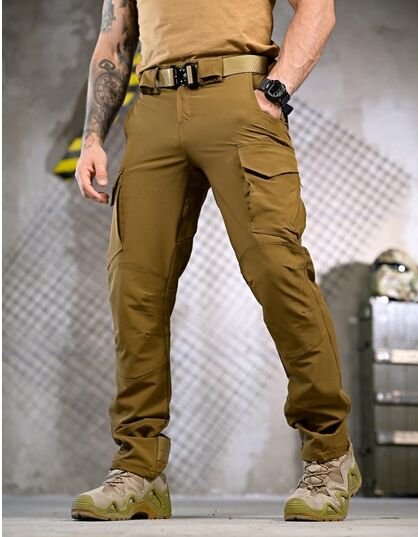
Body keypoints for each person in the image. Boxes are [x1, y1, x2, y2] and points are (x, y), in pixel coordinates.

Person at [71, 0, 362, 522]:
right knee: (133, 287)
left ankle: (330, 456)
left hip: (239, 98)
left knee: (278, 271)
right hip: (154, 107)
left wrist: (275, 91)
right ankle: (139, 469)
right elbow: (115, 38)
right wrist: (92, 136)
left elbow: (318, 9)